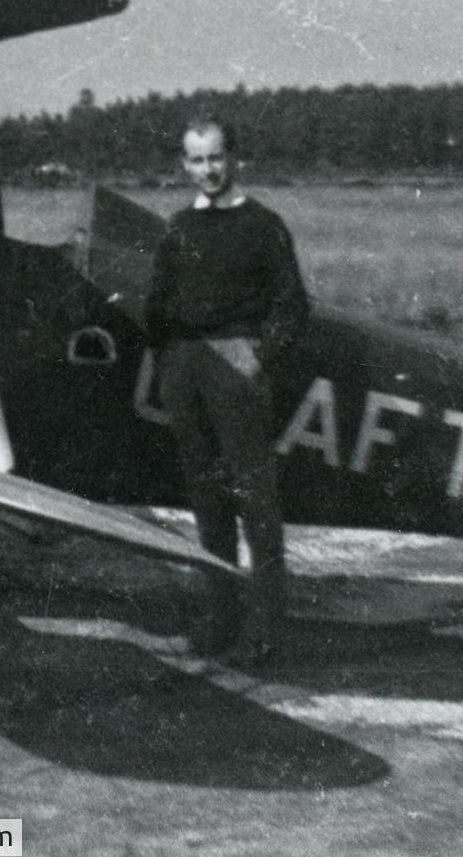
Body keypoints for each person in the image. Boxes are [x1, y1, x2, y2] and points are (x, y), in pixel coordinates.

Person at [144, 118, 308, 667]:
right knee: (206, 499)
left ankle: (266, 629)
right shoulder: (179, 227)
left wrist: (257, 356)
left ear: (232, 158)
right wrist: (171, 365)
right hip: (187, 369)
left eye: (216, 158)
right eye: (196, 160)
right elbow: (158, 305)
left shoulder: (263, 225)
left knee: (254, 501)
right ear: (183, 166)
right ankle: (220, 617)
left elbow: (292, 306)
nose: (208, 170)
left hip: (234, 366)